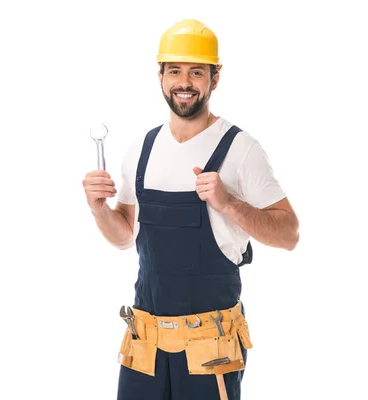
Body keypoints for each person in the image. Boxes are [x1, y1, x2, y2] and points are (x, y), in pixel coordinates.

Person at [82, 18, 299, 400]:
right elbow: (123, 236)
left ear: (215, 78)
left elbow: (289, 234)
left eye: (197, 72)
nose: (185, 82)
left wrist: (229, 203)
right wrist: (99, 209)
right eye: (175, 71)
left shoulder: (240, 149)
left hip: (209, 347)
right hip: (144, 344)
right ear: (161, 77)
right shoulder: (142, 149)